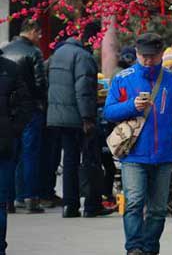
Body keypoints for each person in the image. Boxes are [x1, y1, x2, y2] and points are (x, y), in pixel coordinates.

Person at [105, 32, 172, 255]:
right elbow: (108, 112)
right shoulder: (123, 79)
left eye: (152, 56)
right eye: (143, 55)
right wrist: (131, 106)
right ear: (136, 53)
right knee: (134, 203)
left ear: (161, 54)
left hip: (164, 155)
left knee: (157, 210)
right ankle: (134, 248)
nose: (147, 60)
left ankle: (150, 248)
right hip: (133, 155)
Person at [46, 21, 112, 218]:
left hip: (58, 116)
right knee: (91, 158)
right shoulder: (83, 57)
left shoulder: (57, 54)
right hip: (78, 116)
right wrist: (87, 117)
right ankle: (92, 204)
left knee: (70, 160)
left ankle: (70, 205)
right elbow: (84, 90)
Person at [2, 19, 47, 213]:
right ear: (32, 31)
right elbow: (40, 84)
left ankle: (9, 199)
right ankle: (30, 197)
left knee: (11, 154)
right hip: (30, 109)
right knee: (30, 153)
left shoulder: (5, 50)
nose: (40, 37)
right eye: (39, 33)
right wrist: (41, 103)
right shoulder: (33, 52)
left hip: (8, 110)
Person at [0, 45, 33, 255]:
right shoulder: (10, 68)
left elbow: (25, 104)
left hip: (3, 144)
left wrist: (13, 130)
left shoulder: (10, 69)